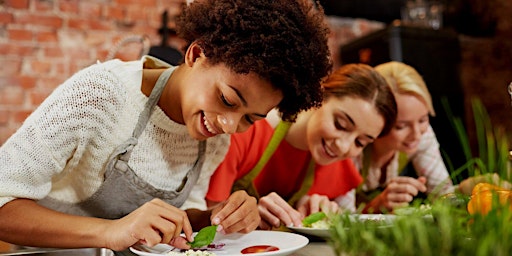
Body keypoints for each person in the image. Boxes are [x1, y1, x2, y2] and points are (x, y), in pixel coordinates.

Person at [0, 0, 332, 253]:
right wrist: (110, 231)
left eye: (250, 118)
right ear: (196, 54)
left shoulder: (213, 137)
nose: (229, 126)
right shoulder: (101, 94)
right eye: (229, 100)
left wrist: (216, 217)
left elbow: (184, 216)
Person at [206, 63, 397, 230]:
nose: (343, 146)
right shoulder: (247, 131)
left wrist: (324, 215)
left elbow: (347, 230)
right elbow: (204, 217)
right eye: (340, 124)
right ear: (319, 97)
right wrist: (247, 217)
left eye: (360, 142)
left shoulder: (340, 167)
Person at [350, 61, 454, 214]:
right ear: (377, 121)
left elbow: (442, 193)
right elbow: (338, 218)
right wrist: (377, 205)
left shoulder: (422, 135)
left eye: (423, 120)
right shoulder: (351, 144)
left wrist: (470, 192)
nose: (417, 134)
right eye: (401, 126)